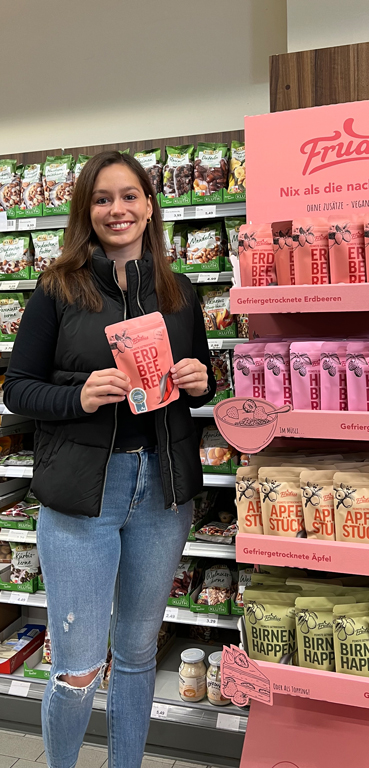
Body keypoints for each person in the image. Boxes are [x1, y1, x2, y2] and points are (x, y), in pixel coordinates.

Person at [3, 151, 216, 768]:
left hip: (160, 493)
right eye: (102, 199)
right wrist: (80, 395)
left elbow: (199, 384)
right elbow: (18, 388)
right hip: (81, 499)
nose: (117, 209)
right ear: (86, 212)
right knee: (75, 668)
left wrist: (202, 378)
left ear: (151, 205)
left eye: (129, 196)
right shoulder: (56, 289)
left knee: (137, 656)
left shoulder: (182, 293)